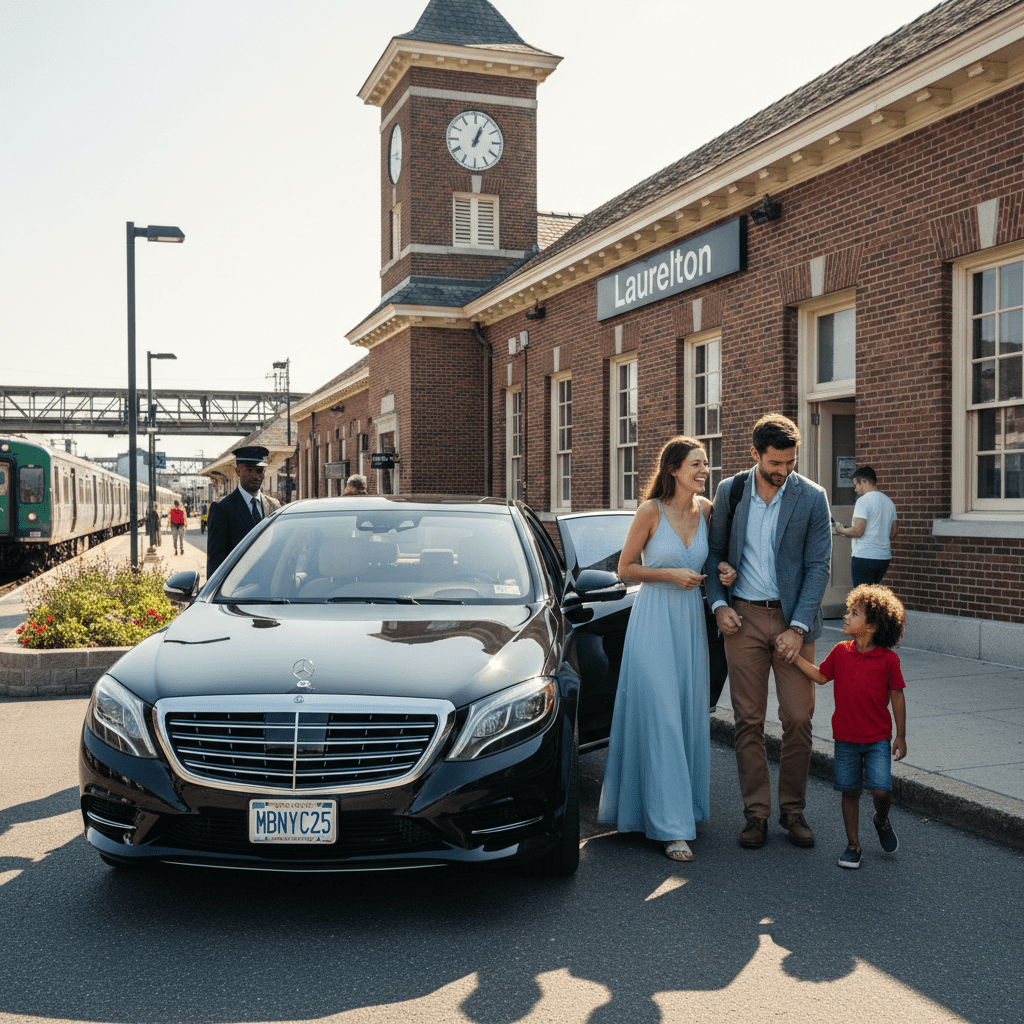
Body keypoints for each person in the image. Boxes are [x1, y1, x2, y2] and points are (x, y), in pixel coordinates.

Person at [598, 437, 736, 863]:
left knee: (683, 715)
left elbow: (713, 565)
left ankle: (674, 809)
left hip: (690, 627)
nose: (704, 470)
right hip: (654, 622)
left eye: (706, 464)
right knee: (660, 717)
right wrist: (671, 575)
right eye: (696, 464)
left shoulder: (708, 511)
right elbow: (625, 568)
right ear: (674, 468)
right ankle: (672, 828)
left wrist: (724, 572)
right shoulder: (649, 511)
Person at [706, 413, 832, 850]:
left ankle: (793, 810)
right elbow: (713, 555)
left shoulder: (812, 498)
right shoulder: (731, 491)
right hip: (742, 619)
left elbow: (819, 567)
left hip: (795, 620)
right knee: (749, 720)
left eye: (790, 462)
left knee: (798, 717)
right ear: (755, 453)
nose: (783, 471)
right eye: (775, 463)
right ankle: (755, 814)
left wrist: (797, 628)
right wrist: (719, 604)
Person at [792, 584, 907, 869]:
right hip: (845, 738)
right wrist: (794, 657)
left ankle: (881, 818)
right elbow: (820, 676)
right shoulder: (841, 652)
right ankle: (853, 845)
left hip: (878, 737)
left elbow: (897, 696)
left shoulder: (889, 660)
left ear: (872, 626)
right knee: (850, 791)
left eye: (853, 613)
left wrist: (901, 736)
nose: (845, 616)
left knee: (881, 789)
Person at [206, 446, 280, 577]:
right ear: (238, 471)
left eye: (259, 470)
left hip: (270, 588)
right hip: (237, 591)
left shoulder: (274, 506)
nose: (255, 475)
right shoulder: (222, 509)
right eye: (249, 470)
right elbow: (215, 560)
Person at [833, 466, 898, 586]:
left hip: (864, 558)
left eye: (856, 484)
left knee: (861, 600)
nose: (855, 489)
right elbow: (893, 533)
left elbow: (858, 531)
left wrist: (839, 529)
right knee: (872, 597)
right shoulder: (889, 502)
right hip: (883, 559)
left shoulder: (863, 501)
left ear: (864, 481)